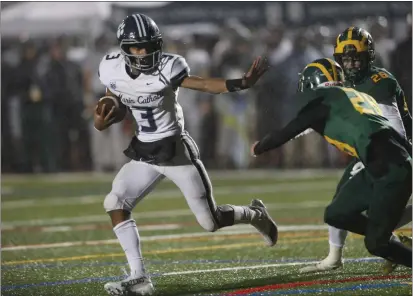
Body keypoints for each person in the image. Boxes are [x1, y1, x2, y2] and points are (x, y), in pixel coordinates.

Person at [94, 14, 277, 296]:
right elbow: (114, 97)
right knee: (115, 201)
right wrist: (104, 116)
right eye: (136, 48)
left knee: (210, 222)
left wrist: (241, 82)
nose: (143, 53)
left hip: (175, 150)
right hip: (144, 150)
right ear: (124, 48)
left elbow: (203, 84)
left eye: (148, 46)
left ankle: (255, 214)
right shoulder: (110, 68)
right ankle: (139, 276)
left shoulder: (169, 66)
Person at [252, 58, 412, 274]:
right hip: (383, 159)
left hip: (386, 166)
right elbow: (388, 132)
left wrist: (259, 147)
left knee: (376, 244)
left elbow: (290, 130)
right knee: (337, 213)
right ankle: (384, 234)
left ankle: (385, 238)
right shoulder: (358, 96)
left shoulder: (323, 101)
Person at [300, 27, 412, 274]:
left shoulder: (379, 82)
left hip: (395, 151)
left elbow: (397, 128)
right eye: (346, 59)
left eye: (356, 58)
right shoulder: (347, 81)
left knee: (367, 210)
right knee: (349, 207)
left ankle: (346, 255)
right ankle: (339, 256)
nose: (350, 63)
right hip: (375, 151)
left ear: (368, 56)